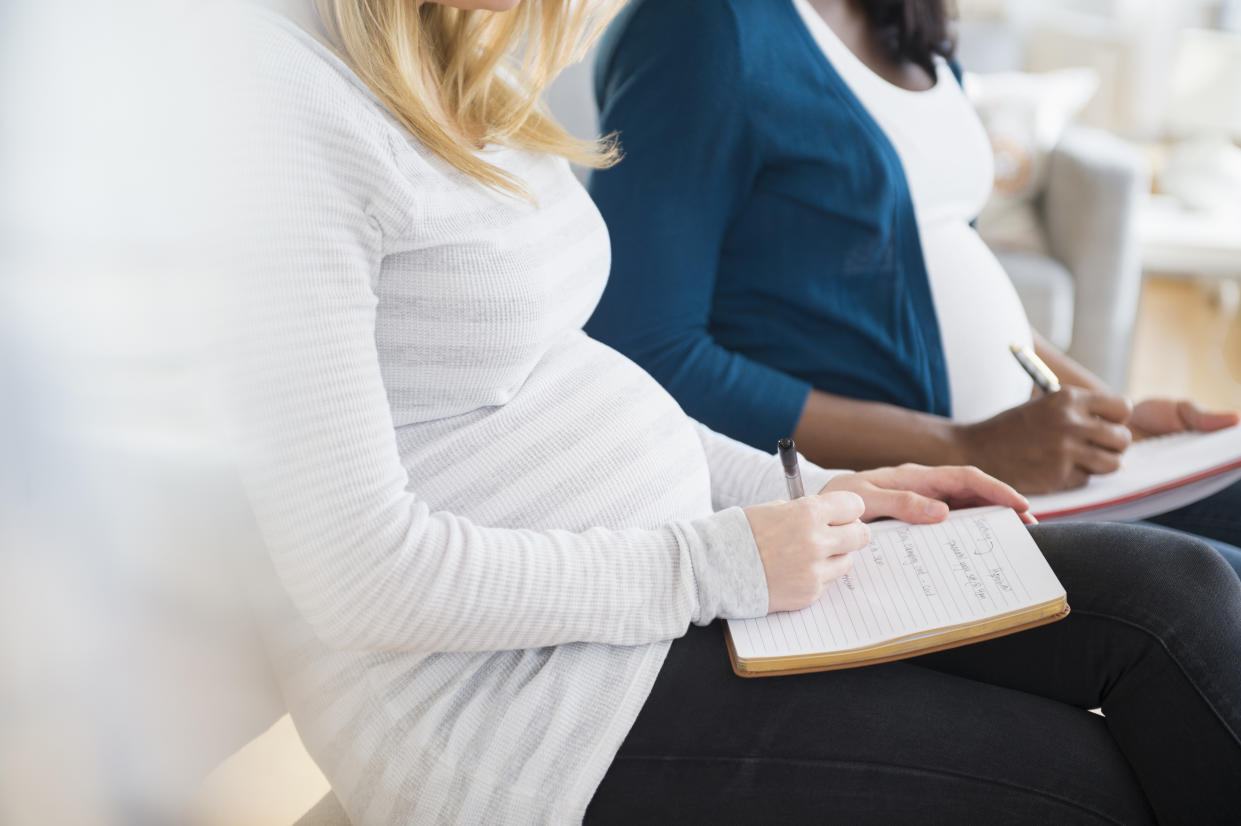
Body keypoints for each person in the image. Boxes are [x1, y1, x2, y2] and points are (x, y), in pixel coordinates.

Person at [230, 0, 1241, 822]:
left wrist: (832, 493)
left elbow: (569, 374)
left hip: (673, 578)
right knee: (1089, 785)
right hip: (523, 701)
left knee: (1183, 592)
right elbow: (362, 579)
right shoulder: (279, 111)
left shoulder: (450, 57)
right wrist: (722, 561)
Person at [584, 0, 1241, 577]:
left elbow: (944, 271)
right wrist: (967, 449)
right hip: (904, 502)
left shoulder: (906, 19)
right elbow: (646, 352)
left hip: (1019, 468)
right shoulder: (700, 27)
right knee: (1212, 591)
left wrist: (1105, 410)